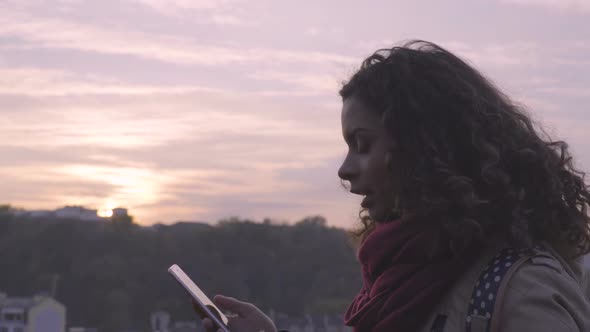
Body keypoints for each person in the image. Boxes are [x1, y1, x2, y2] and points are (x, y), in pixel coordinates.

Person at [195, 40, 590, 331]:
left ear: (426, 148)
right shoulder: (399, 277)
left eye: (363, 145)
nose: (345, 169)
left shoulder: (521, 289)